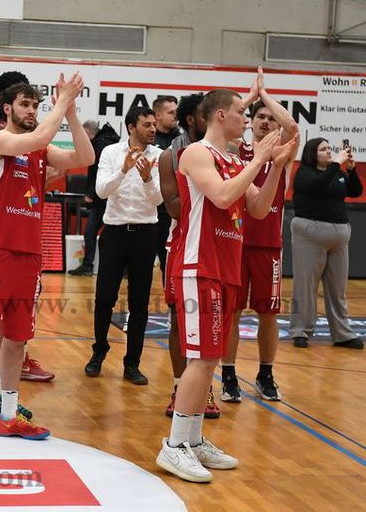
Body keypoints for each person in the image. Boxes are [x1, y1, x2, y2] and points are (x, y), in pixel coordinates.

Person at [156, 88, 298, 483]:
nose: (245, 119)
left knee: (212, 357)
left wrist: (276, 167)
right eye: (240, 112)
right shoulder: (197, 153)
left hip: (226, 266)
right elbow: (221, 196)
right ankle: (174, 445)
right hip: (198, 265)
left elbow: (258, 208)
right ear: (220, 115)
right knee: (201, 357)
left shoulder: (235, 161)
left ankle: (194, 438)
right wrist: (259, 162)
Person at [0, 74, 94, 450]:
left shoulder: (40, 151)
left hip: (30, 256)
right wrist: (61, 101)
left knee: (17, 340)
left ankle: (9, 415)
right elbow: (36, 138)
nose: (31, 111)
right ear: (8, 109)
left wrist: (71, 113)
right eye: (25, 105)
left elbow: (85, 158)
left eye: (35, 105)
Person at [221, 68, 299, 403]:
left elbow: (292, 128)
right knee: (232, 312)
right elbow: (225, 122)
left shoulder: (283, 151)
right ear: (249, 121)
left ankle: (266, 374)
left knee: (269, 314)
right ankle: (228, 375)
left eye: (271, 118)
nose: (266, 122)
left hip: (269, 247)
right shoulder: (235, 149)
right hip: (235, 243)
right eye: (260, 117)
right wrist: (250, 98)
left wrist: (265, 95)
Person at [85, 106, 162, 385]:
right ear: (131, 127)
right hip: (115, 233)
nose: (153, 129)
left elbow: (158, 200)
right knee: (104, 298)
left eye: (154, 124)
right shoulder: (110, 152)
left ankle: (132, 363)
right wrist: (123, 170)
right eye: (146, 125)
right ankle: (99, 351)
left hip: (145, 234)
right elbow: (101, 191)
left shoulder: (160, 156)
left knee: (139, 303)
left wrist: (147, 178)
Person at [159, 93, 221, 419]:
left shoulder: (224, 152)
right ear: (191, 120)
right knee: (178, 318)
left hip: (218, 246)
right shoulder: (170, 156)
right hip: (183, 245)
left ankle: (204, 388)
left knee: (214, 320)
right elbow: (174, 207)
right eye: (203, 114)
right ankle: (178, 386)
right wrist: (209, 188)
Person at [289, 138, 364, 349]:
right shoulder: (304, 174)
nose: (329, 151)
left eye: (330, 148)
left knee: (338, 289)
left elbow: (355, 191)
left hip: (339, 237)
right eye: (323, 149)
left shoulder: (337, 173)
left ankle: (342, 334)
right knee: (305, 286)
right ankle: (300, 330)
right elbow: (317, 187)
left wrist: (352, 170)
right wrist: (336, 164)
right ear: (312, 153)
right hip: (310, 235)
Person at [67, 121, 119, 276]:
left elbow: (97, 173)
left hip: (101, 197)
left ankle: (88, 265)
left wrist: (91, 193)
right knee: (114, 233)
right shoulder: (110, 142)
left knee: (90, 232)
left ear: (87, 133)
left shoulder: (99, 145)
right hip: (112, 196)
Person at [153, 96, 180, 287]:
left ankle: (170, 300)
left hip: (170, 211)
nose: (175, 116)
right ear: (158, 115)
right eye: (171, 112)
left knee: (169, 260)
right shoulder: (148, 139)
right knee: (141, 265)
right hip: (148, 211)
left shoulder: (182, 140)